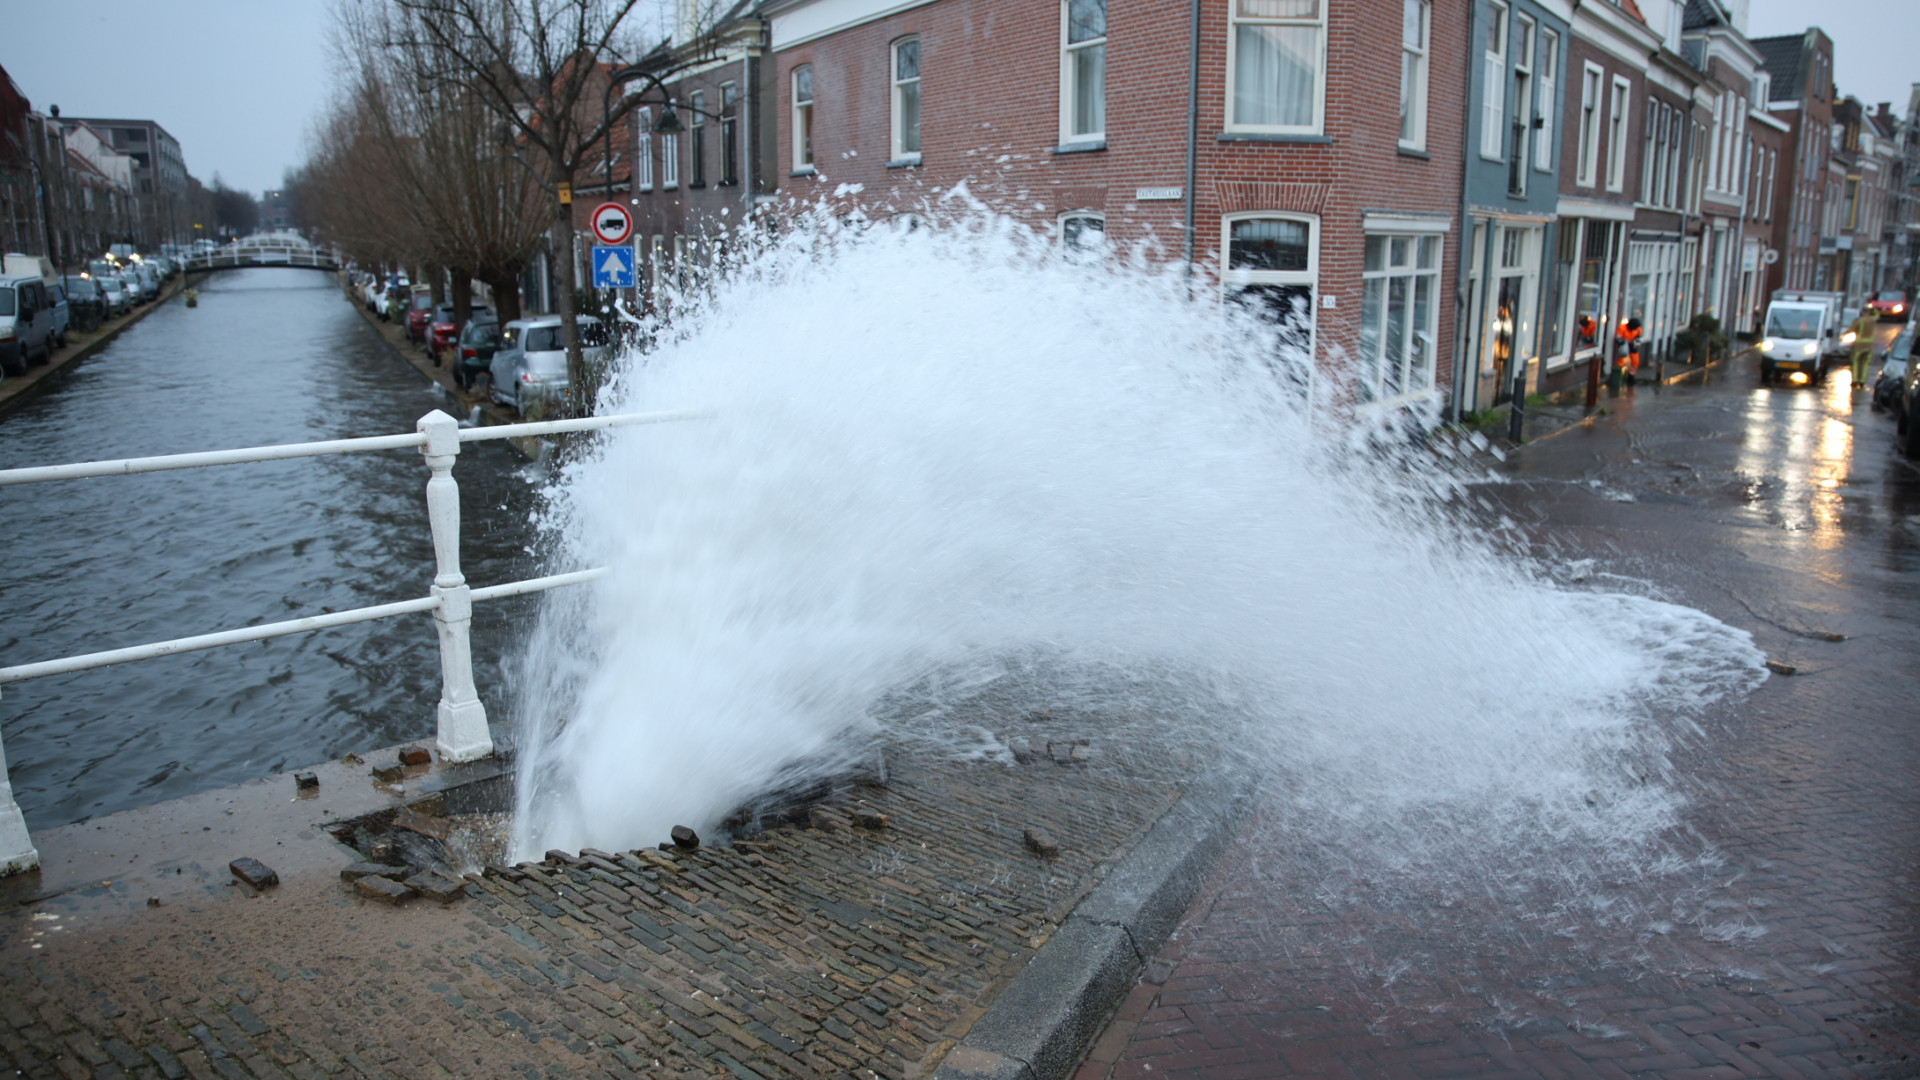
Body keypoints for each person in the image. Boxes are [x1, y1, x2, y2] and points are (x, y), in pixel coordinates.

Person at [1848, 307, 1879, 389]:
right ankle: (1862, 381)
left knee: (1856, 363)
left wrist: (1843, 335)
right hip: (1869, 346)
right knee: (1865, 364)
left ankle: (1855, 380)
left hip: (1859, 346)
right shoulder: (1872, 319)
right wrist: (1873, 309)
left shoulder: (1859, 321)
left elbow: (1851, 329)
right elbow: (1877, 315)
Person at [1617, 318, 1644, 385]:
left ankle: (1631, 377)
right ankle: (1619, 376)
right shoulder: (1622, 328)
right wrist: (1624, 342)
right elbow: (1618, 339)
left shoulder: (1638, 328)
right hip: (1624, 344)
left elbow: (1638, 337)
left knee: (1635, 361)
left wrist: (1636, 343)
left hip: (1633, 344)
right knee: (1622, 360)